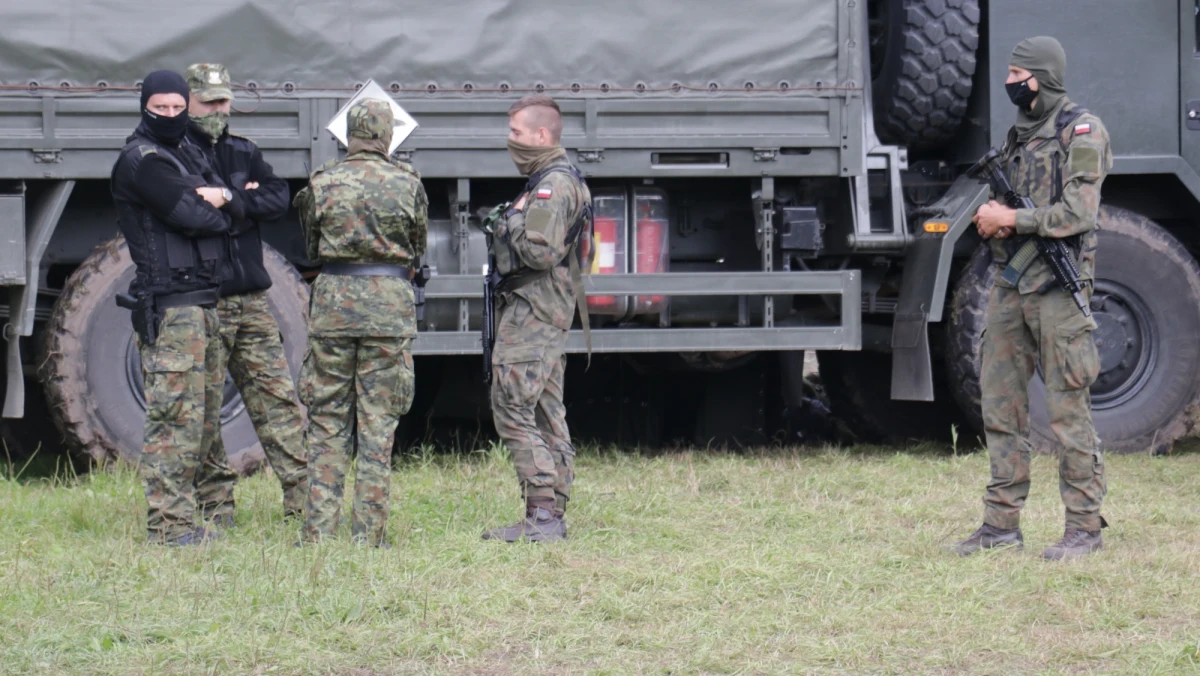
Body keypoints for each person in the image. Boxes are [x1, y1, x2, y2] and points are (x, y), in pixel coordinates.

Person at [952, 36, 1112, 560]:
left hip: (1058, 296)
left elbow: (1077, 215)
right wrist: (994, 221)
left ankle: (1084, 529)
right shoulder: (1019, 136)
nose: (1011, 83)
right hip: (1011, 286)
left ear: (1041, 79)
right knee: (1000, 406)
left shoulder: (1081, 132)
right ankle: (1000, 527)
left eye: (1018, 74)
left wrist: (1012, 218)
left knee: (1068, 414)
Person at [110, 69, 239, 545]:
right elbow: (191, 214)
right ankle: (169, 526)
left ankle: (206, 514)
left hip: (203, 302)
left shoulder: (187, 151)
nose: (169, 115)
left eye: (176, 107)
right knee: (173, 420)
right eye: (159, 107)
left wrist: (220, 200)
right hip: (171, 307)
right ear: (144, 107)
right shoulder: (142, 161)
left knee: (205, 417)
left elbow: (229, 207)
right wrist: (218, 205)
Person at [293, 98, 428, 547]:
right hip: (388, 310)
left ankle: (319, 532)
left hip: (333, 307)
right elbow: (417, 244)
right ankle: (369, 535)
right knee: (378, 423)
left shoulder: (323, 182)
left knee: (326, 418)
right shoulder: (407, 183)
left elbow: (312, 247)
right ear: (388, 134)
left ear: (348, 134)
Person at [184, 63, 308, 521]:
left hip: (252, 300)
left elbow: (278, 199)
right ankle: (216, 506)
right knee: (206, 408)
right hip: (205, 299)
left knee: (277, 399)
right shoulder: (173, 154)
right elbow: (188, 211)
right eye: (210, 102)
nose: (219, 110)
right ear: (189, 101)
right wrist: (241, 204)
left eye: (224, 101)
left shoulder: (243, 151)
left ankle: (303, 500)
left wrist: (230, 199)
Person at [482, 94, 593, 543]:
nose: (511, 142)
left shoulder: (552, 186)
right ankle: (552, 514)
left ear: (541, 136)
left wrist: (504, 222)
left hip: (534, 308)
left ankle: (543, 514)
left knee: (511, 406)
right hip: (545, 308)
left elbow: (540, 252)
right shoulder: (551, 180)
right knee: (547, 410)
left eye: (516, 133)